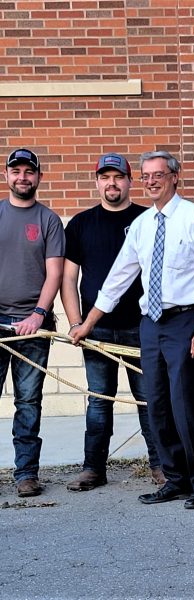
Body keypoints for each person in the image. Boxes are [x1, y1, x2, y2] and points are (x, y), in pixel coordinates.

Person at [71, 150, 194, 509]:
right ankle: (176, 480)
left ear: (175, 176)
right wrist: (87, 323)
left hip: (185, 320)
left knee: (186, 405)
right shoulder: (141, 225)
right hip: (150, 325)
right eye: (146, 176)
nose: (151, 181)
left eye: (158, 174)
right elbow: (118, 278)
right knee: (154, 404)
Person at [61, 153, 164, 492]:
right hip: (96, 328)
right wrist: (78, 323)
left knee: (149, 399)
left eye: (118, 177)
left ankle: (161, 468)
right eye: (105, 177)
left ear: (129, 181)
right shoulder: (80, 224)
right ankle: (93, 469)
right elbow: (68, 278)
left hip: (140, 327)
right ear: (97, 182)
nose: (112, 183)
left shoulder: (147, 219)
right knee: (98, 403)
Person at [0, 148, 65, 497]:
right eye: (16, 171)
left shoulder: (48, 220)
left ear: (39, 177)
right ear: (7, 175)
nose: (22, 177)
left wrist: (37, 315)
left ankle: (26, 474)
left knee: (28, 402)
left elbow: (54, 273)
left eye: (29, 172)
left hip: (33, 327)